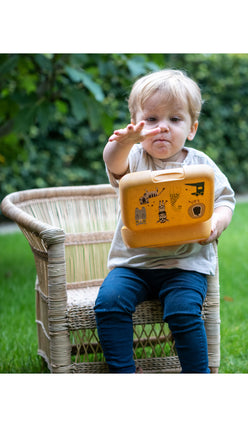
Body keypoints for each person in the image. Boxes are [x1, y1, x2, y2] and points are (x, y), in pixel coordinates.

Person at [94, 69, 235, 373]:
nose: (162, 128)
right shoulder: (133, 158)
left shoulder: (201, 165)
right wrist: (122, 142)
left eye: (174, 119)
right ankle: (123, 372)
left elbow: (225, 199)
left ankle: (197, 374)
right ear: (135, 123)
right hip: (134, 264)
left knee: (183, 312)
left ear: (192, 128)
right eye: (152, 119)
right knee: (109, 303)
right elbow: (112, 163)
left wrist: (217, 223)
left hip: (184, 265)